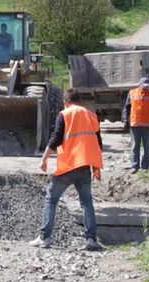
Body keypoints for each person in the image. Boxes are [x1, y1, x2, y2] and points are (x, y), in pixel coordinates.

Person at [31, 88, 106, 252]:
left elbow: (56, 138)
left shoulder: (64, 114)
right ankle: (91, 239)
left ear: (66, 102)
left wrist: (44, 159)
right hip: (85, 165)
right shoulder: (91, 115)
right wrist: (96, 167)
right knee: (87, 203)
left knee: (51, 200)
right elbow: (98, 143)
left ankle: (44, 237)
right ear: (79, 101)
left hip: (68, 165)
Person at [123, 76, 149, 172]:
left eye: (147, 86)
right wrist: (125, 120)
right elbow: (126, 107)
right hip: (135, 125)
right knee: (135, 146)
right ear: (139, 85)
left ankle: (145, 166)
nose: (145, 88)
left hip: (147, 126)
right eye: (144, 86)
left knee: (147, 147)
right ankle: (135, 165)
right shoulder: (132, 93)